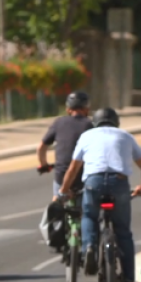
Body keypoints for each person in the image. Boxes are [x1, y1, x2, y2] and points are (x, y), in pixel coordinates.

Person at [60, 107, 141, 282]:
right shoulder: (126, 136)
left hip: (93, 182)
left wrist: (64, 190)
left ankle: (90, 247)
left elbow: (73, 168)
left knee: (89, 216)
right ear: (116, 122)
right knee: (123, 232)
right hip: (119, 183)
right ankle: (127, 281)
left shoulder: (87, 136)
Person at [36, 91, 92, 246]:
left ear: (68, 109)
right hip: (82, 175)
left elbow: (42, 147)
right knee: (87, 209)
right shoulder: (89, 125)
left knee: (57, 202)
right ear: (87, 109)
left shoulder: (59, 122)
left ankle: (55, 236)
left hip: (61, 175)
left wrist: (43, 164)